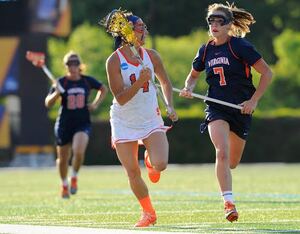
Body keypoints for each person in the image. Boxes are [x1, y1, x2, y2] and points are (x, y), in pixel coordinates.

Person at [179, 3, 272, 222]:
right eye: (211, 20)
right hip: (216, 107)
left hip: (241, 109)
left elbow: (267, 73)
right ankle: (228, 203)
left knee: (232, 161)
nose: (214, 24)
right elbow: (192, 76)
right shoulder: (205, 50)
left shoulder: (240, 46)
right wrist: (189, 88)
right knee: (221, 151)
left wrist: (253, 100)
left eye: (220, 20)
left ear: (229, 24)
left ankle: (227, 187)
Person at [104, 11, 178, 227]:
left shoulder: (152, 56)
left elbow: (165, 82)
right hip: (123, 120)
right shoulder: (114, 61)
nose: (145, 31)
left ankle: (150, 160)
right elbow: (121, 98)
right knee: (132, 172)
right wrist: (140, 81)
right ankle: (148, 213)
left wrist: (169, 105)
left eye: (145, 27)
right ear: (126, 31)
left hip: (149, 118)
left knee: (161, 164)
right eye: (140, 27)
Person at [45, 51, 108, 199]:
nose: (73, 66)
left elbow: (103, 88)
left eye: (75, 63)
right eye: (70, 63)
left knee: (78, 152)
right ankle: (64, 184)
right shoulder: (61, 82)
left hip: (82, 122)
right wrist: (57, 93)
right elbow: (48, 103)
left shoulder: (86, 81)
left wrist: (95, 104)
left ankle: (74, 177)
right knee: (63, 159)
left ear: (80, 65)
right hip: (64, 124)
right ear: (66, 65)